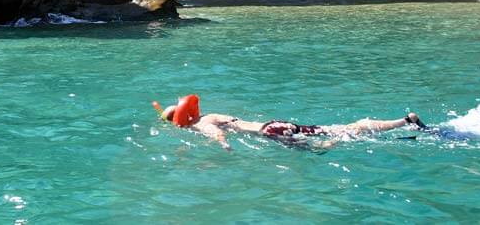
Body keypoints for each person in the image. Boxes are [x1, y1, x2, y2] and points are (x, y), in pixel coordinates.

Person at [156, 95, 428, 151]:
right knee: (341, 129)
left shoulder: (200, 125)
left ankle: (332, 143)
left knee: (325, 146)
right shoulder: (209, 114)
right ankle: (403, 121)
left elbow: (215, 135)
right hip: (273, 125)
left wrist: (225, 147)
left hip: (271, 134)